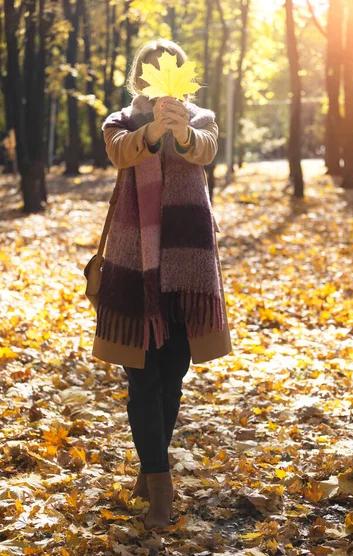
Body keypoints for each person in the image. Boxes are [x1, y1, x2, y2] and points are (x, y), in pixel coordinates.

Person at [91, 38, 233, 530]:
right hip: (137, 267)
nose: (160, 80)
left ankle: (150, 462)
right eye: (150, 73)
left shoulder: (201, 117)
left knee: (173, 372)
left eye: (168, 71)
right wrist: (152, 129)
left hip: (187, 267)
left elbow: (208, 151)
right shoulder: (121, 121)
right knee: (142, 380)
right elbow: (120, 154)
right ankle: (160, 488)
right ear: (139, 81)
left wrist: (184, 133)